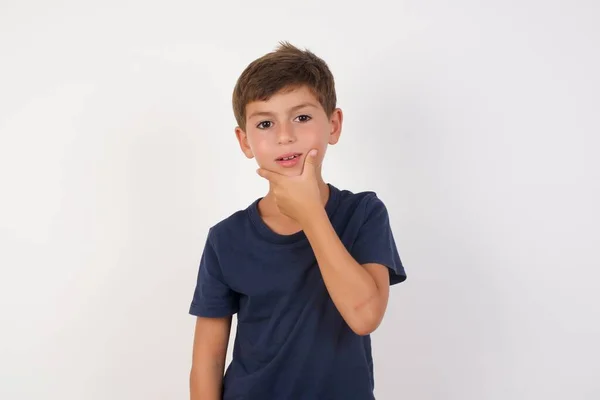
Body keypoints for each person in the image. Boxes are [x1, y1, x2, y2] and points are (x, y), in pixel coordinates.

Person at [189, 41, 407, 400]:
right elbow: (207, 362)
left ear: (333, 125)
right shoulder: (225, 238)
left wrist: (310, 214)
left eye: (302, 117)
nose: (285, 135)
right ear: (245, 141)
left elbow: (365, 316)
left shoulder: (364, 214)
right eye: (265, 123)